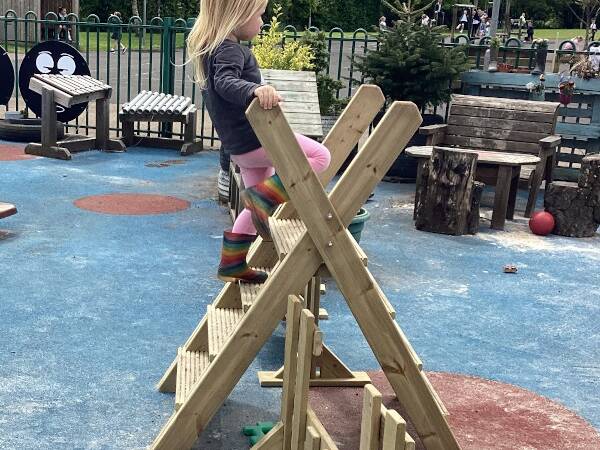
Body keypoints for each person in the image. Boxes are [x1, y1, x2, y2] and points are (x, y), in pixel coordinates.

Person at [187, 0, 331, 283]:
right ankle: (262, 197)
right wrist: (256, 90)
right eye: (260, 15)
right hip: (257, 140)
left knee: (254, 212)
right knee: (321, 156)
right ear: (238, 15)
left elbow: (221, 82)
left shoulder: (212, 50)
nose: (262, 23)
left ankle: (232, 263)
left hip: (240, 149)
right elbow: (226, 83)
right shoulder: (230, 50)